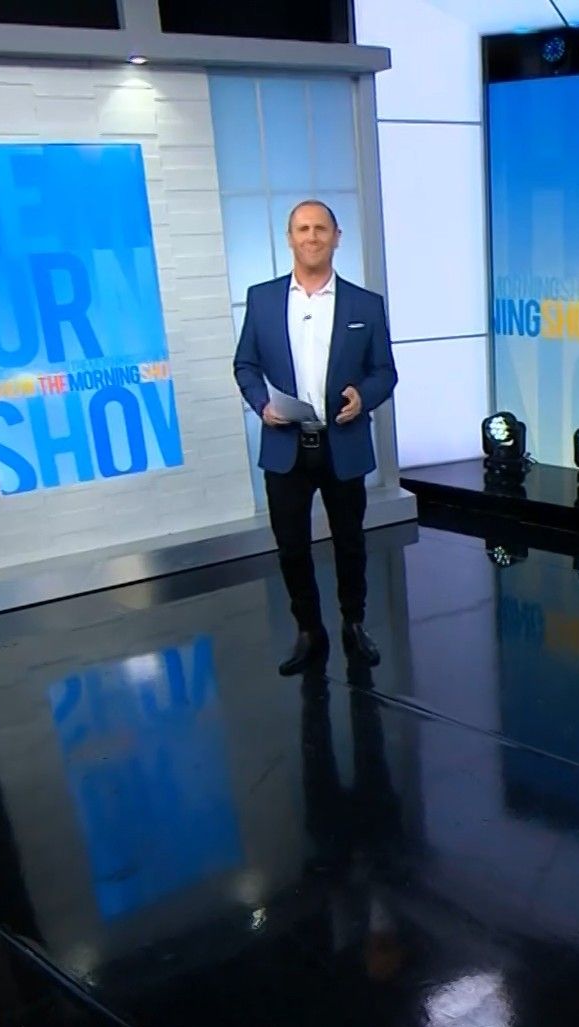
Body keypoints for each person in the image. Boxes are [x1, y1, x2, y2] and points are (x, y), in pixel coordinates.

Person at [233, 201, 398, 676]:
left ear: (337, 237)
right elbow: (245, 364)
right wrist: (260, 403)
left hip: (342, 443)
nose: (312, 237)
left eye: (320, 228)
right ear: (290, 238)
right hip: (285, 445)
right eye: (302, 229)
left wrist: (363, 397)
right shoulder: (262, 299)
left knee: (350, 542)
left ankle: (354, 624)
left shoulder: (365, 305)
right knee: (291, 546)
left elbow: (385, 372)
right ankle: (308, 630)